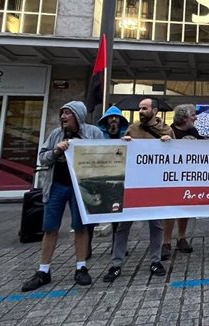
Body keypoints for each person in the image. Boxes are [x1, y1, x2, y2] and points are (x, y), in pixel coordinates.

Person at [22, 101, 104, 292]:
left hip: (80, 187)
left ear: (78, 115)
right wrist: (56, 151)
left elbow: (104, 154)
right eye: (62, 113)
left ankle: (81, 267)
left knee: (80, 227)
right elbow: (42, 157)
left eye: (68, 113)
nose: (63, 117)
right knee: (50, 227)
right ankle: (43, 271)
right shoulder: (55, 134)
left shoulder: (93, 133)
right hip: (57, 186)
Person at [103, 98, 174, 283]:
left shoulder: (167, 130)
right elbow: (119, 154)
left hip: (155, 184)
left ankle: (155, 261)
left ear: (155, 111)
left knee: (156, 225)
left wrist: (169, 143)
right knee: (123, 225)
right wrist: (124, 143)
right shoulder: (133, 129)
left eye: (145, 108)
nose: (141, 111)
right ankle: (116, 263)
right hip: (133, 183)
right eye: (140, 108)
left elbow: (175, 156)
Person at [89, 105, 130, 260]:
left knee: (117, 215)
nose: (113, 121)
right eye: (110, 118)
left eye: (116, 118)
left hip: (117, 180)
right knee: (93, 212)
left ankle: (117, 245)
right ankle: (86, 246)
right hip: (98, 179)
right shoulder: (98, 136)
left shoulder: (126, 136)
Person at [162, 104, 199, 261]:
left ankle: (182, 238)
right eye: (193, 115)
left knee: (185, 208)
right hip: (172, 177)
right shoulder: (169, 131)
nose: (195, 117)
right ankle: (166, 242)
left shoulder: (194, 132)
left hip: (189, 176)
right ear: (184, 117)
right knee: (170, 209)